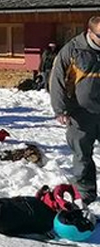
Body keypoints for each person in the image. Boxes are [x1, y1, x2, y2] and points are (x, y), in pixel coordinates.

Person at [50, 16, 100, 204]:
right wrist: (60, 109)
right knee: (82, 156)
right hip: (80, 113)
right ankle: (86, 194)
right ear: (90, 32)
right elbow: (57, 81)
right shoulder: (72, 50)